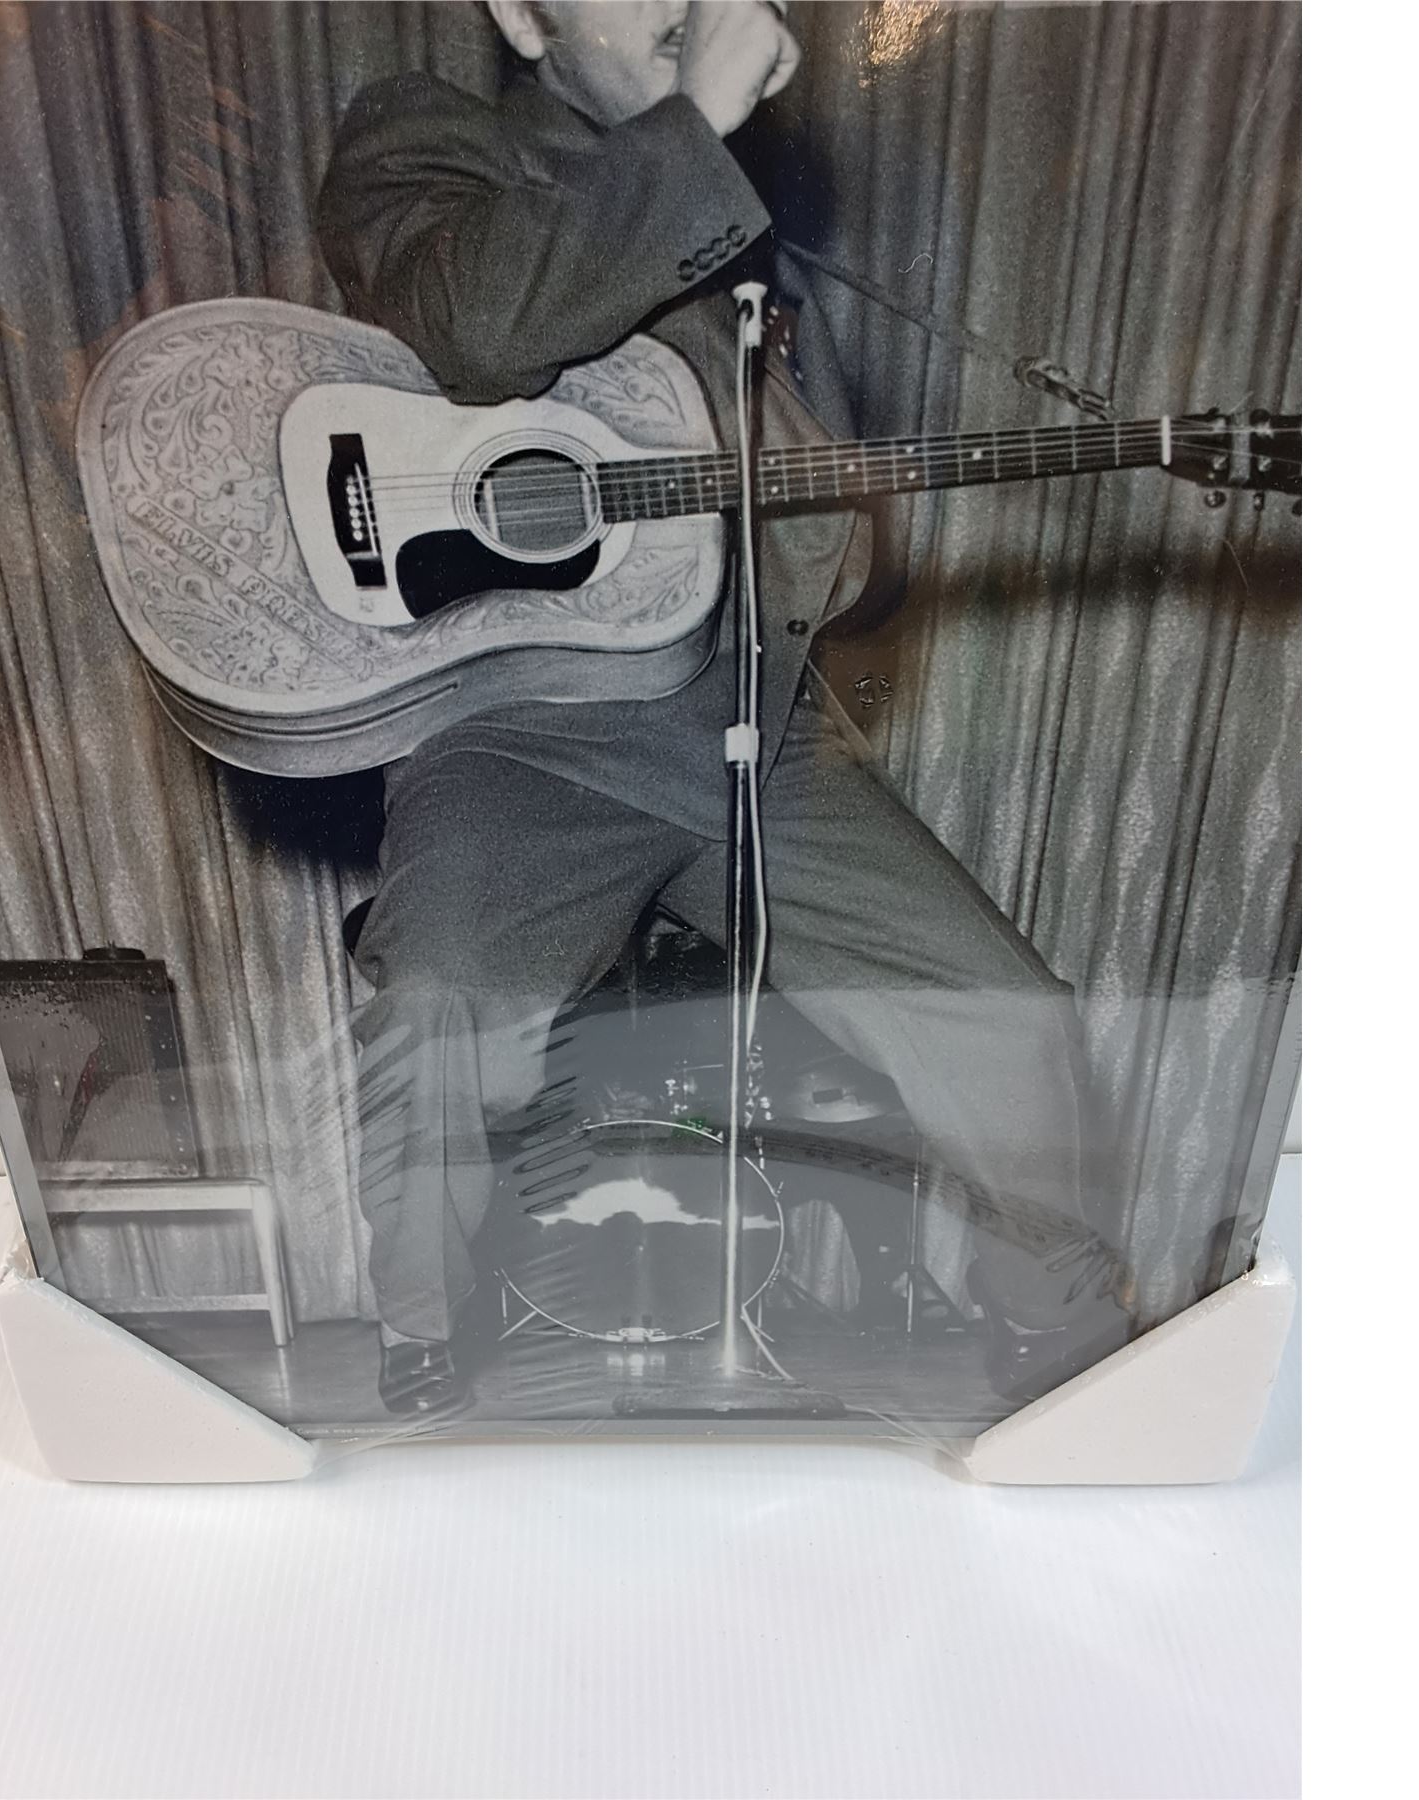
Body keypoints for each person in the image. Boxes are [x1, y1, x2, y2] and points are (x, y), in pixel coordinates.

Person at [318, 0, 1128, 1414]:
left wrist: (838, 519)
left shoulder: (744, 220)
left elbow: (821, 538)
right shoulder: (428, 138)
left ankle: (1057, 1334)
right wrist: (696, 123)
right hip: (519, 733)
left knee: (1006, 1013)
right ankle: (426, 1345)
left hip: (747, 712)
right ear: (520, 14)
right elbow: (471, 328)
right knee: (442, 1001)